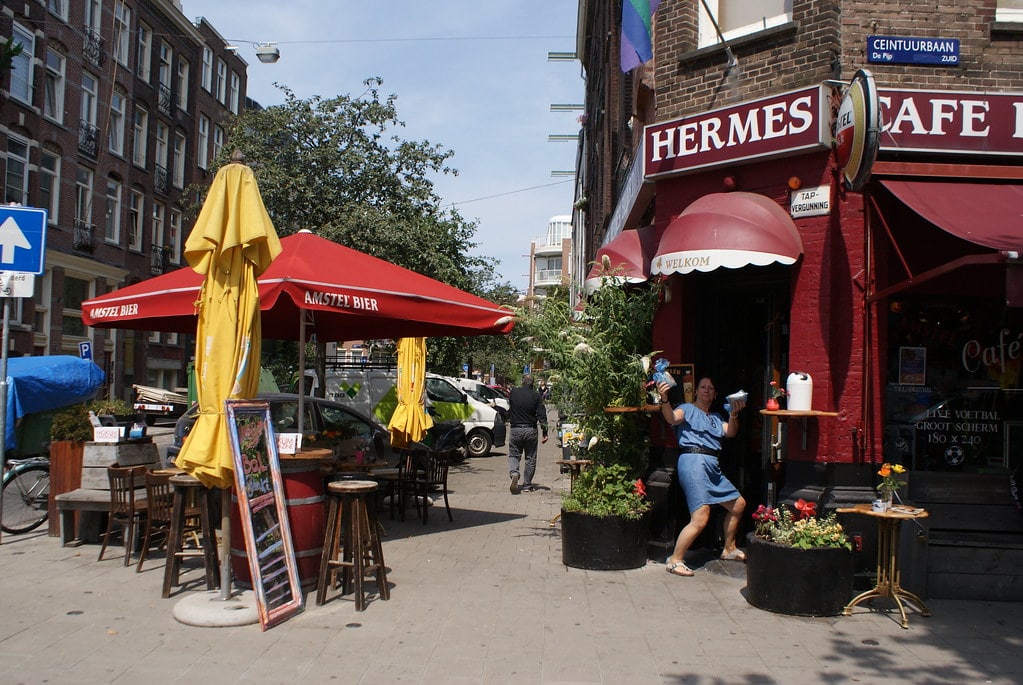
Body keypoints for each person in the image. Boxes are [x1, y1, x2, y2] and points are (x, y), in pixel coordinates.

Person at [656, 376, 746, 576]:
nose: (706, 390)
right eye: (703, 387)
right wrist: (664, 399)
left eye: (710, 388)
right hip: (694, 461)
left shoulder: (715, 419)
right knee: (700, 517)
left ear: (714, 394)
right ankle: (675, 560)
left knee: (738, 504)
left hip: (712, 466)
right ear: (696, 391)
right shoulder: (687, 409)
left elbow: (730, 432)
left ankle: (729, 549)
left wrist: (733, 414)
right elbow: (671, 417)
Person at [507, 374, 549, 494]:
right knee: (530, 457)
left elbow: (511, 406)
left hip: (515, 429)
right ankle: (527, 485)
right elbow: (542, 416)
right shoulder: (536, 396)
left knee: (514, 455)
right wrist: (545, 433)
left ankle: (514, 473)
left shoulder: (514, 392)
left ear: (522, 382)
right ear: (533, 384)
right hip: (530, 430)